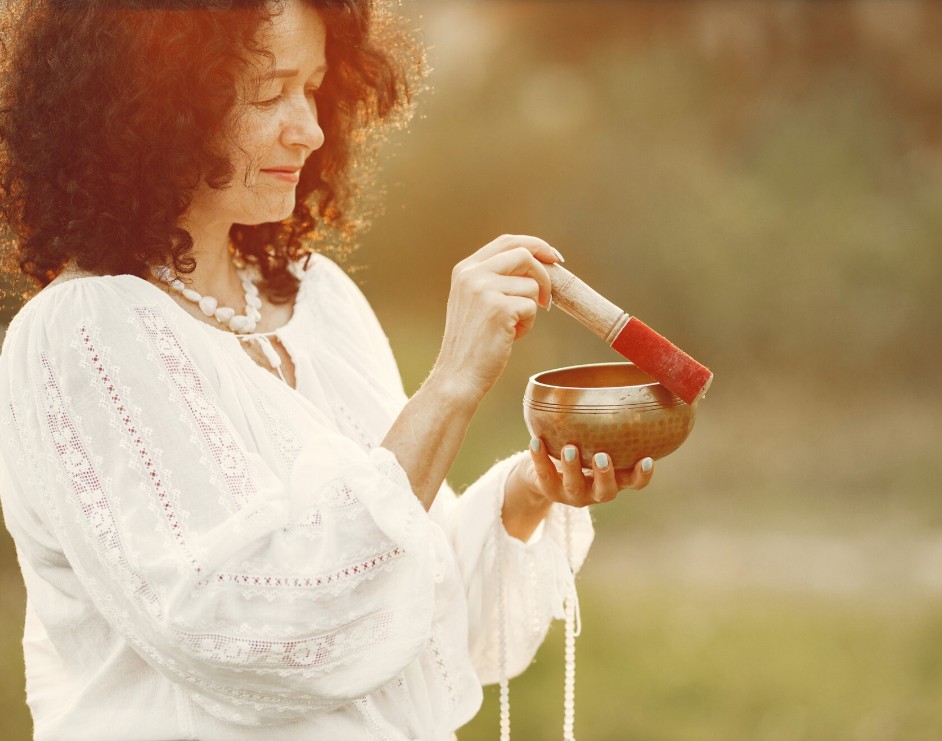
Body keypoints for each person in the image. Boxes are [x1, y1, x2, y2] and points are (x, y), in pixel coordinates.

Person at [0, 1, 654, 739]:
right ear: (154, 107)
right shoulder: (81, 334)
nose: (308, 126)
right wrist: (450, 386)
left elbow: (410, 601)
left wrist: (529, 492)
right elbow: (253, 631)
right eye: (268, 90)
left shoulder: (319, 298)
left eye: (312, 87)